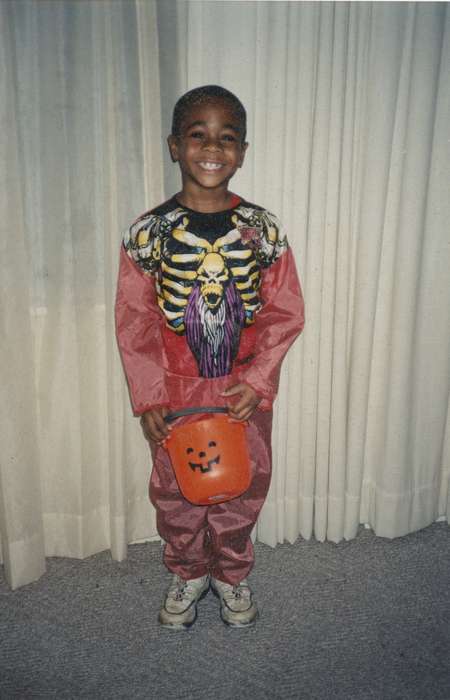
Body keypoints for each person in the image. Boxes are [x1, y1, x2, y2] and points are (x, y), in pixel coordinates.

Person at [115, 85, 305, 630]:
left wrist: (260, 380)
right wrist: (148, 396)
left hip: (241, 391)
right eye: (198, 135)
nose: (212, 148)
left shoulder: (263, 229)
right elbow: (135, 319)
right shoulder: (146, 234)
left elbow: (284, 310)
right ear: (175, 145)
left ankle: (232, 574)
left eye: (227, 138)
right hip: (174, 392)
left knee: (243, 483)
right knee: (175, 488)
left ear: (242, 150)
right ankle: (188, 569)